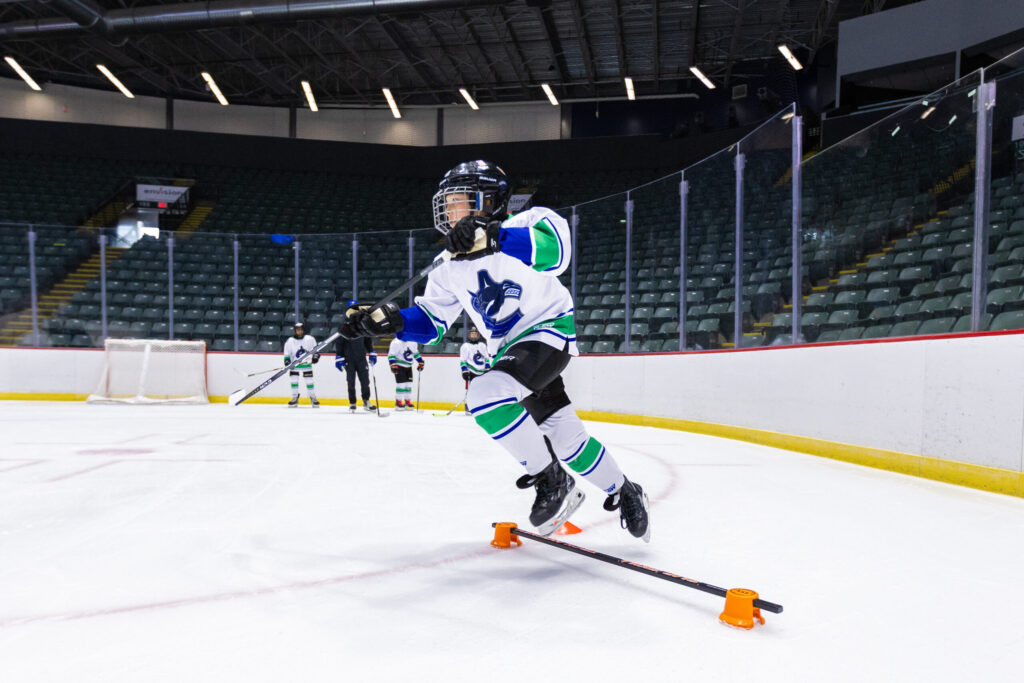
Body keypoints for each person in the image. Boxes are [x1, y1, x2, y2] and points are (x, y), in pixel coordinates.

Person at [339, 160, 650, 541]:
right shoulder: (447, 265)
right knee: (566, 438)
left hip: (548, 331)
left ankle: (552, 480)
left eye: (459, 202)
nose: (450, 211)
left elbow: (557, 254)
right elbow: (432, 324)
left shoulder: (531, 221)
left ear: (488, 200)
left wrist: (494, 237)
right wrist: (388, 321)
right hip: (511, 350)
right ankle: (625, 489)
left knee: (485, 394)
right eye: (448, 204)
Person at [334, 300, 378, 413]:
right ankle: (352, 403)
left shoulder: (363, 325)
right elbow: (339, 343)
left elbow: (368, 341)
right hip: (349, 360)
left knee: (365, 381)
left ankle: (366, 401)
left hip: (361, 359)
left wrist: (372, 352)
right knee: (351, 381)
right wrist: (339, 357)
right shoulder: (344, 326)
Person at [283, 322, 319, 408]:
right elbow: (287, 353)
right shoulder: (290, 340)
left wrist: (315, 357)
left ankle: (313, 398)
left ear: (303, 330)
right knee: (294, 381)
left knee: (309, 382)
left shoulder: (310, 339)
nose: (299, 331)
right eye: (297, 330)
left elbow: (316, 350)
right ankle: (295, 398)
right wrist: (287, 361)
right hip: (294, 365)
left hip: (306, 365)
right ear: (295, 331)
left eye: (300, 329)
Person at [459, 325, 490, 414]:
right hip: (471, 372)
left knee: (482, 390)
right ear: (469, 335)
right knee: (470, 390)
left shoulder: (482, 345)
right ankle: (468, 406)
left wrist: (487, 367)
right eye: (472, 334)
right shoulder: (465, 346)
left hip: (482, 372)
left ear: (478, 335)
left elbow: (486, 357)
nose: (473, 336)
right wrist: (464, 371)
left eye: (475, 334)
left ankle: (480, 406)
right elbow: (463, 360)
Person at [387, 337, 423, 411]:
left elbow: (415, 352)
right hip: (399, 365)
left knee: (408, 384)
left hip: (409, 366)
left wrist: (420, 362)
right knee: (401, 384)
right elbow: (391, 354)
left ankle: (407, 401)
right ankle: (398, 401)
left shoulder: (413, 341)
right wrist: (392, 364)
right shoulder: (396, 342)